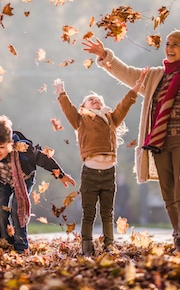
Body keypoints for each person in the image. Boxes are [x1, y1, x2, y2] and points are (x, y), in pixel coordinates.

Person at [83, 30, 180, 250]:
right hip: (159, 143)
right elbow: (127, 74)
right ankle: (178, 234)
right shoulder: (155, 75)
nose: (170, 48)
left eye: (175, 45)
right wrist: (106, 56)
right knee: (168, 194)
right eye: (168, 43)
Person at [53, 70, 147, 256]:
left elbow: (125, 104)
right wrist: (61, 93)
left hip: (108, 174)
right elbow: (69, 109)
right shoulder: (81, 120)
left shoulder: (111, 118)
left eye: (98, 99)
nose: (96, 101)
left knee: (107, 213)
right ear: (84, 106)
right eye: (91, 99)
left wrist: (136, 86)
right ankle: (87, 247)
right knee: (89, 213)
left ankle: (109, 246)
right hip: (89, 173)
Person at [0, 115, 76, 253]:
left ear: (10, 143)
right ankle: (6, 241)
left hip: (24, 179)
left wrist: (61, 174)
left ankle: (21, 246)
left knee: (17, 209)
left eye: (1, 147)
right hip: (3, 181)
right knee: (1, 209)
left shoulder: (23, 149)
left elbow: (43, 159)